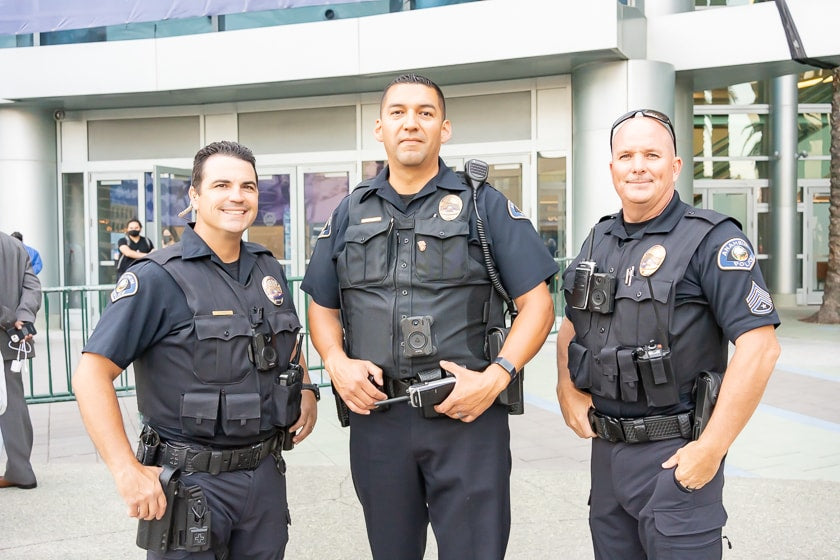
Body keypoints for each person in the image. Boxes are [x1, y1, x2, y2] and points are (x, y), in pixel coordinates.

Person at [302, 73, 558, 560]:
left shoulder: (484, 205)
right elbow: (322, 305)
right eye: (398, 113)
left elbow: (538, 305)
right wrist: (335, 360)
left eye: (425, 113)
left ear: (445, 128)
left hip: (466, 416)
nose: (411, 123)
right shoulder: (348, 212)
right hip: (378, 417)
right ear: (380, 128)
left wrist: (497, 377)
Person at [72, 141, 318, 559]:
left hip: (264, 478)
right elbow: (90, 375)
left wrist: (307, 388)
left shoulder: (268, 269)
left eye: (248, 186)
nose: (237, 196)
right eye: (222, 184)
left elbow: (287, 340)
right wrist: (125, 469)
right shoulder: (156, 278)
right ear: (195, 195)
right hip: (190, 487)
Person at [555, 109, 781, 559]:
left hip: (675, 454)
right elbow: (571, 321)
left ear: (675, 166)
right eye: (626, 155)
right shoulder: (600, 238)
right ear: (613, 168)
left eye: (651, 154)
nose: (638, 165)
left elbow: (760, 348)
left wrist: (711, 449)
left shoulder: (713, 240)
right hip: (608, 456)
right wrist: (565, 389)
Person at [0, 230, 42, 490]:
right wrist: (23, 318)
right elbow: (32, 287)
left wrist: (8, 319)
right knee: (13, 405)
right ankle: (20, 469)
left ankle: (20, 471)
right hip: (13, 340)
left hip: (7, 331)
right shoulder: (14, 246)